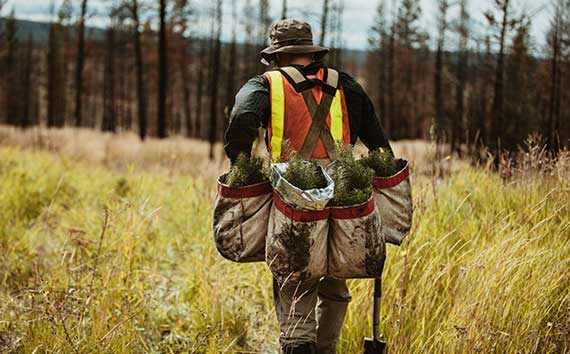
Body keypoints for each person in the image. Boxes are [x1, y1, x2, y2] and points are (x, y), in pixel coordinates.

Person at [223, 19, 392, 354]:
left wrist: (242, 164)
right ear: (310, 52)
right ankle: (325, 348)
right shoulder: (346, 85)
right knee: (335, 274)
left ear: (277, 54)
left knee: (295, 275)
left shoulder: (266, 84)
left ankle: (299, 345)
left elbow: (242, 118)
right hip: (343, 195)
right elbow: (380, 145)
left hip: (294, 195)